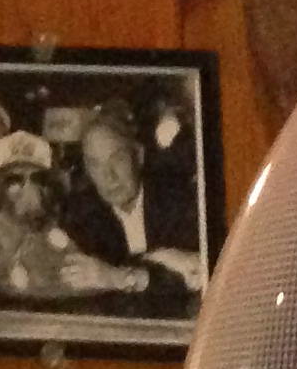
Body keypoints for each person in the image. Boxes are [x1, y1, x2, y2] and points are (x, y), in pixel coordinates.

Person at [0, 131, 147, 303]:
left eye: (38, 179)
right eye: (14, 180)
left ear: (52, 186)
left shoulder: (84, 246)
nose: (29, 190)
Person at [60, 102, 204, 298]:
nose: (109, 176)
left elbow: (198, 276)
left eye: (117, 159)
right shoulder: (81, 217)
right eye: (96, 165)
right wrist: (160, 260)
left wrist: (115, 277)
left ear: (138, 155)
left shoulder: (178, 201)